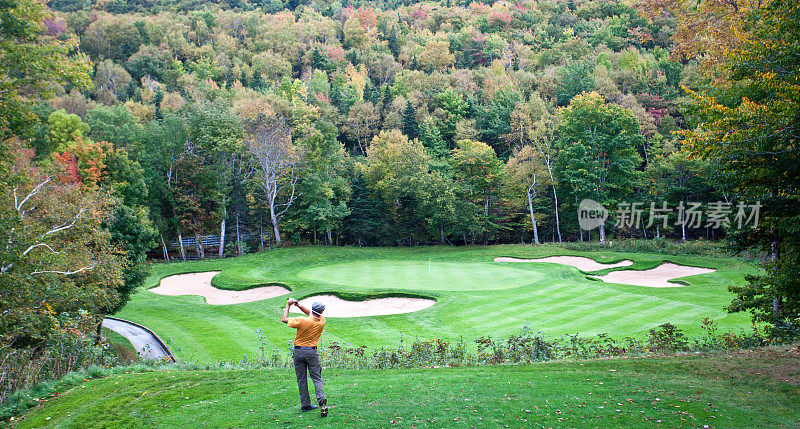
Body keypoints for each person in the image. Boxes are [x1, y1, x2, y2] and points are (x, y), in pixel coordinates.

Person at [282, 298, 328, 416]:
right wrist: (298, 305)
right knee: (316, 378)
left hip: (299, 352)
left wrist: (288, 305)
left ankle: (306, 405)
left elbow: (284, 319)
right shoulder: (322, 321)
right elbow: (311, 314)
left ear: (313, 309)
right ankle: (321, 400)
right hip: (312, 352)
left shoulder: (303, 321)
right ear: (321, 312)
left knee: (301, 379)